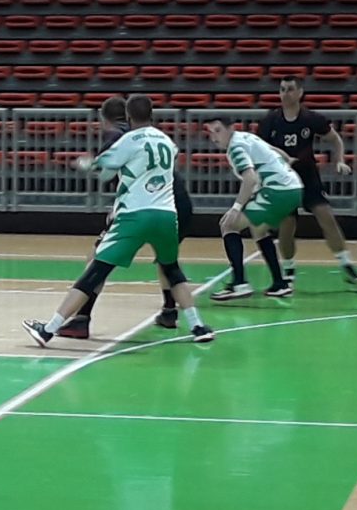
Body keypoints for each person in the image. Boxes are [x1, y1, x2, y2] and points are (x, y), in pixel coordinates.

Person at [22, 94, 215, 347]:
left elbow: (103, 169)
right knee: (172, 269)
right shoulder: (167, 141)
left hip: (135, 214)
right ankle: (198, 326)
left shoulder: (129, 140)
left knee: (96, 271)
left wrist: (84, 164)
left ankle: (48, 329)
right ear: (152, 114)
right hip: (167, 215)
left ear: (129, 117)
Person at [61, 95, 190, 339]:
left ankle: (80, 318)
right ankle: (172, 312)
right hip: (177, 202)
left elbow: (106, 173)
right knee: (167, 261)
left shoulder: (119, 139)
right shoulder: (155, 136)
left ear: (105, 119)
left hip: (147, 205)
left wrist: (87, 165)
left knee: (98, 260)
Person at [254, 72, 357, 287]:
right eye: (282, 89)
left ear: (300, 92)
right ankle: (289, 269)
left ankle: (346, 264)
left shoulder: (310, 118)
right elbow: (259, 149)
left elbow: (335, 139)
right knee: (287, 225)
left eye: (290, 89)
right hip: (283, 180)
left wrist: (340, 160)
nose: (285, 94)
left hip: (308, 176)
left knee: (326, 216)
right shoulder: (270, 121)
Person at [204, 118, 303, 300]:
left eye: (218, 130)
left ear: (231, 128)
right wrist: (287, 162)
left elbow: (250, 179)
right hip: (293, 188)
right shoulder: (247, 137)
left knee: (228, 225)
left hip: (277, 191)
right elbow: (275, 150)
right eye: (210, 132)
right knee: (258, 229)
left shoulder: (235, 148)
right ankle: (279, 284)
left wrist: (236, 208)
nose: (214, 137)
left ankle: (240, 284)